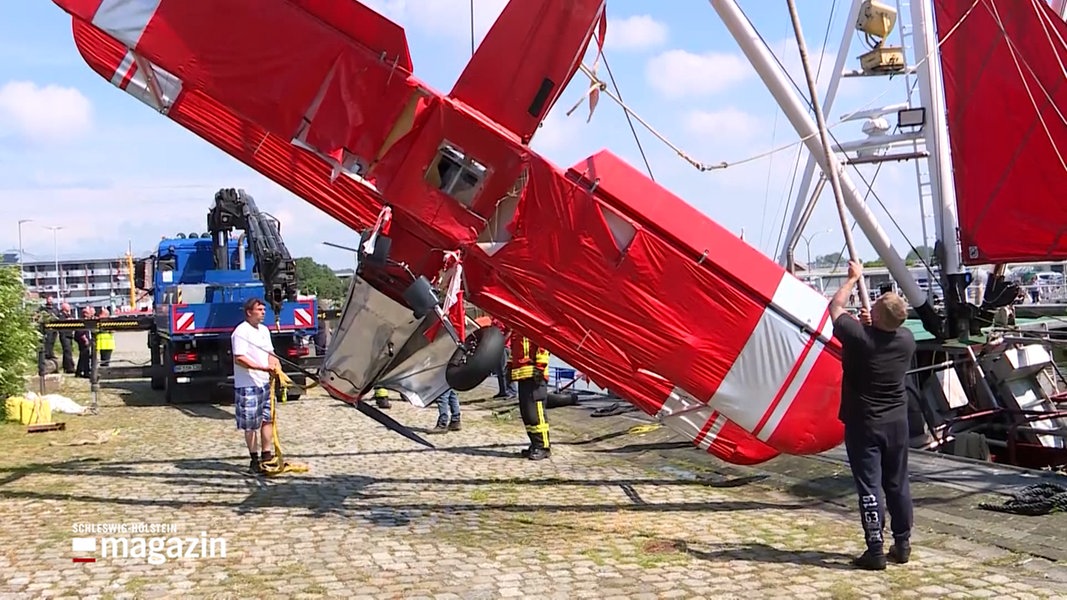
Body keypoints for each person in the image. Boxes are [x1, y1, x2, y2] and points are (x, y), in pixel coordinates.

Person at [830, 260, 917, 570]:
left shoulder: (859, 339)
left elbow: (835, 308)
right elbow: (882, 333)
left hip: (864, 423)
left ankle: (875, 549)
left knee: (870, 485)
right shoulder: (906, 340)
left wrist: (853, 279)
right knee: (897, 483)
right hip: (896, 422)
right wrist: (871, 322)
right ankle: (903, 542)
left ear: (877, 316)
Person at [231, 297, 279, 474]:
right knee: (251, 424)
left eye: (264, 310)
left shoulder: (264, 330)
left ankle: (267, 455)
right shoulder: (241, 332)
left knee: (267, 419)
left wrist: (275, 365)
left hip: (264, 383)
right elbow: (240, 358)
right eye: (259, 309)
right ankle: (254, 459)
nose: (263, 312)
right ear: (249, 312)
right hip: (247, 385)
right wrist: (262, 367)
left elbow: (270, 352)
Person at [510, 334, 551, 460]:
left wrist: (540, 366)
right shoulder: (516, 329)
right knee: (527, 413)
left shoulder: (533, 325)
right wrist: (510, 366)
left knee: (536, 413)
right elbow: (515, 350)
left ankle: (543, 446)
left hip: (535, 374)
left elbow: (544, 344)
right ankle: (534, 444)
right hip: (522, 375)